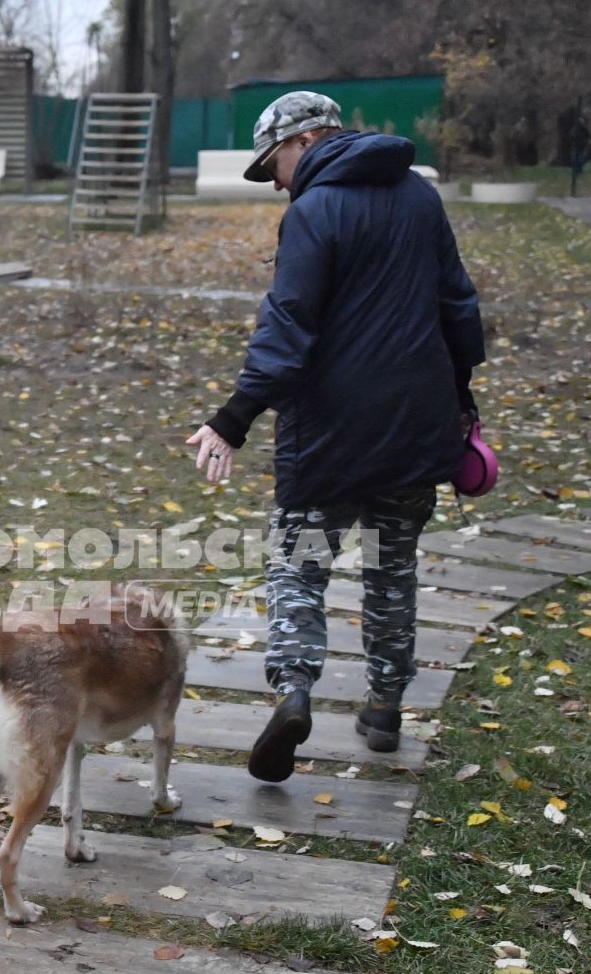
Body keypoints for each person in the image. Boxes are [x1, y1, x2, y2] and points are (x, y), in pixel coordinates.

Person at [184, 91, 485, 780]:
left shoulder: (314, 212)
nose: (277, 181)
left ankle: (293, 691)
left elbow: (287, 329)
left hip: (331, 439)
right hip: (417, 425)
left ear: (308, 139)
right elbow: (458, 306)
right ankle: (384, 709)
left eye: (277, 164)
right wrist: (459, 398)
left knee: (299, 563)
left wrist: (233, 418)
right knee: (391, 568)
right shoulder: (420, 198)